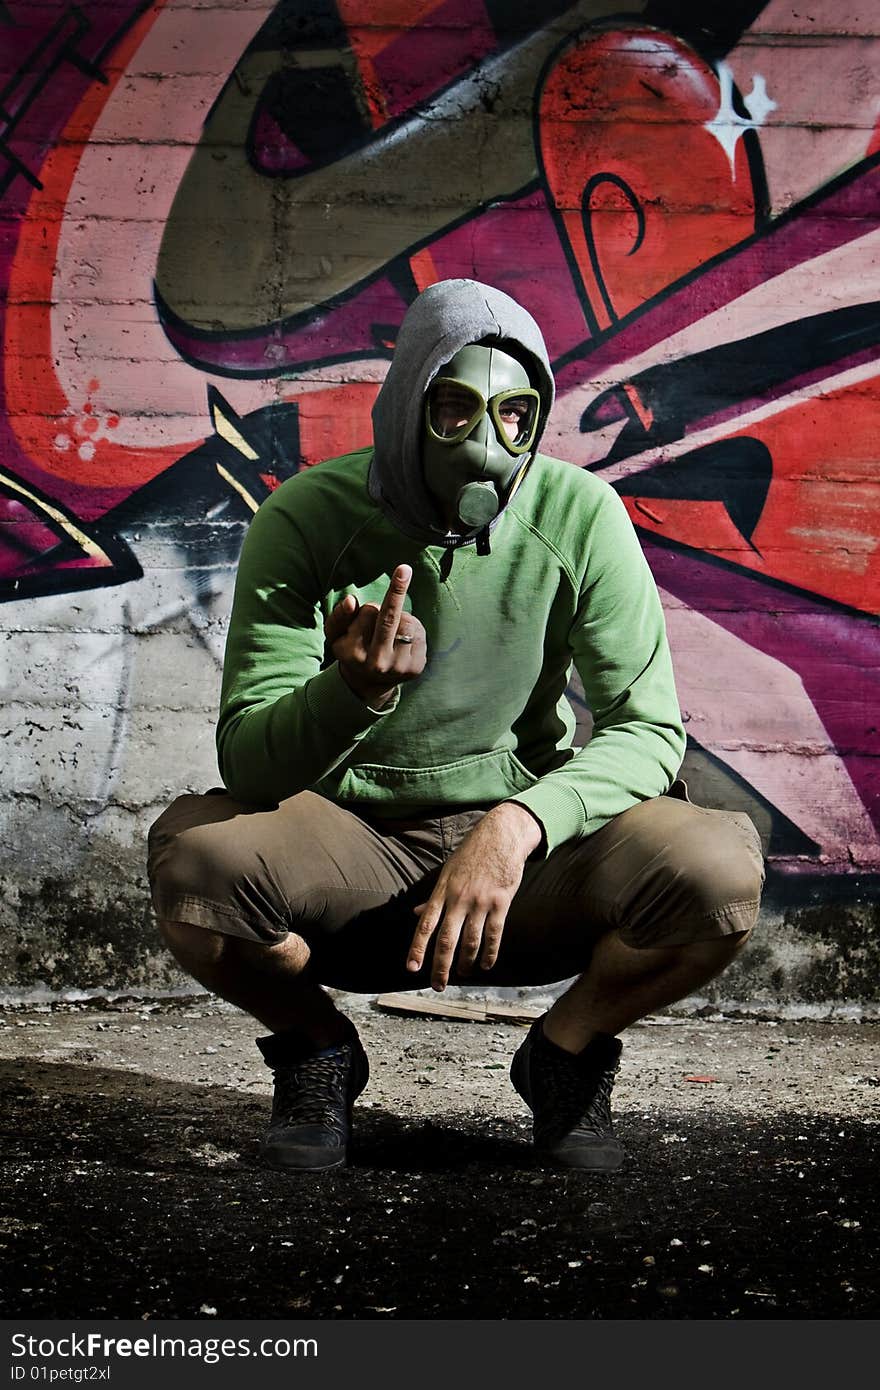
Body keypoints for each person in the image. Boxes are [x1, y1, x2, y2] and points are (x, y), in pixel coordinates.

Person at [147, 278, 765, 1174]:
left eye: (517, 416)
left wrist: (519, 826)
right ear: (406, 407)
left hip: (524, 862)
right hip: (351, 845)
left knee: (716, 875)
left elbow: (649, 730)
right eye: (455, 409)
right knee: (197, 866)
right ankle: (315, 1049)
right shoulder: (308, 520)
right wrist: (350, 693)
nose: (489, 446)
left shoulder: (577, 514)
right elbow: (246, 761)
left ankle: (564, 1055)